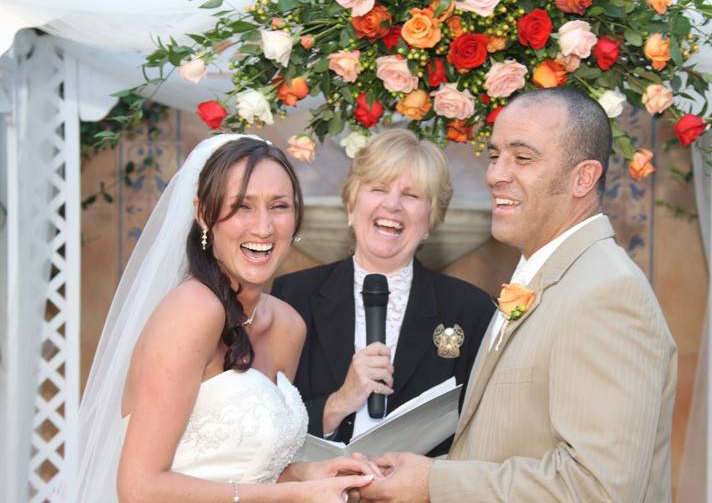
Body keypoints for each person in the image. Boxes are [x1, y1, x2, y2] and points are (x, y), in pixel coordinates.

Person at [358, 88, 678, 502]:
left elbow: (598, 489)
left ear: (584, 177)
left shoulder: (607, 294)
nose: (495, 175)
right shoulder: (548, 276)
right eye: (494, 156)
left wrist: (433, 483)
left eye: (522, 158)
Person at [75, 135, 377, 502]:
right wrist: (296, 496)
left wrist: (310, 473)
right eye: (242, 207)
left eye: (279, 206)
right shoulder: (192, 311)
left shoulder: (288, 325)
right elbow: (139, 488)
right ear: (204, 214)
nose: (263, 228)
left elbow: (253, 470)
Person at [270, 129, 493, 452]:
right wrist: (338, 402)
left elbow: (480, 433)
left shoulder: (469, 310)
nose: (392, 205)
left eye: (412, 195)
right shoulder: (292, 296)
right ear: (350, 205)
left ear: (431, 219)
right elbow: (266, 422)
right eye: (378, 189)